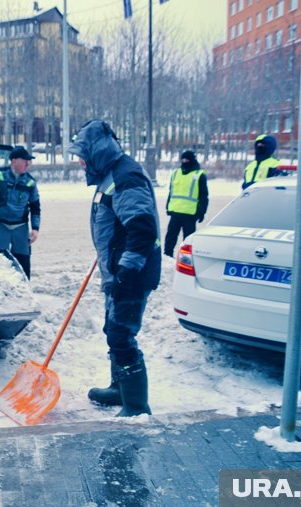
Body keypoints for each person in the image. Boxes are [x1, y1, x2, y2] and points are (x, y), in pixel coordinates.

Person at [68, 120, 161, 417]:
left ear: (97, 151)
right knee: (114, 330)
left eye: (82, 154)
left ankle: (136, 405)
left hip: (131, 273)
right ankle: (119, 388)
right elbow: (115, 221)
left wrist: (126, 271)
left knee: (122, 335)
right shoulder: (110, 175)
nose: (80, 162)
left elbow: (142, 229)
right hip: (117, 270)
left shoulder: (126, 176)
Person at [0, 146, 41, 278]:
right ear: (14, 161)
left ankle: (24, 290)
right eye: (25, 160)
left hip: (20, 227)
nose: (27, 164)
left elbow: (35, 207)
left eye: (29, 161)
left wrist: (35, 228)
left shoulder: (30, 182)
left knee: (23, 262)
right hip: (1, 226)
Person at [163, 150, 209, 258]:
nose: (184, 161)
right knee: (170, 237)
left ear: (192, 160)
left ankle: (187, 259)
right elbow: (172, 191)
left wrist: (202, 211)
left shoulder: (199, 174)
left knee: (188, 240)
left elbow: (203, 195)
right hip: (175, 212)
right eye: (183, 159)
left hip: (190, 214)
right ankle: (167, 256)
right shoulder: (175, 173)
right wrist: (168, 206)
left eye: (187, 159)